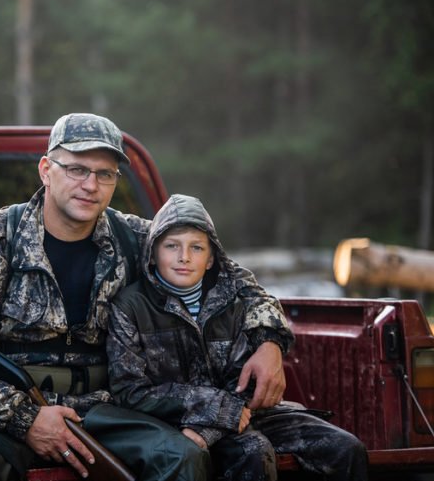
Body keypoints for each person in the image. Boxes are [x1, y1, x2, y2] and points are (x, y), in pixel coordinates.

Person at [0, 113, 287, 481]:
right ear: (46, 169)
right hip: (1, 412)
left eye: (104, 174)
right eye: (76, 169)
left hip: (104, 410)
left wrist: (269, 342)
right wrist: (25, 419)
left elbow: (232, 280)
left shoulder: (137, 240)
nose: (90, 185)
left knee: (181, 458)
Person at [107, 193, 369, 481]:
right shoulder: (130, 306)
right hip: (176, 423)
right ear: (153, 254)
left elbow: (248, 380)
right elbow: (129, 391)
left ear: (210, 259)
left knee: (345, 448)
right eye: (171, 246)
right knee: (252, 453)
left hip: (247, 413)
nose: (184, 257)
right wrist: (213, 410)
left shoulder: (235, 298)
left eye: (196, 247)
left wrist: (214, 425)